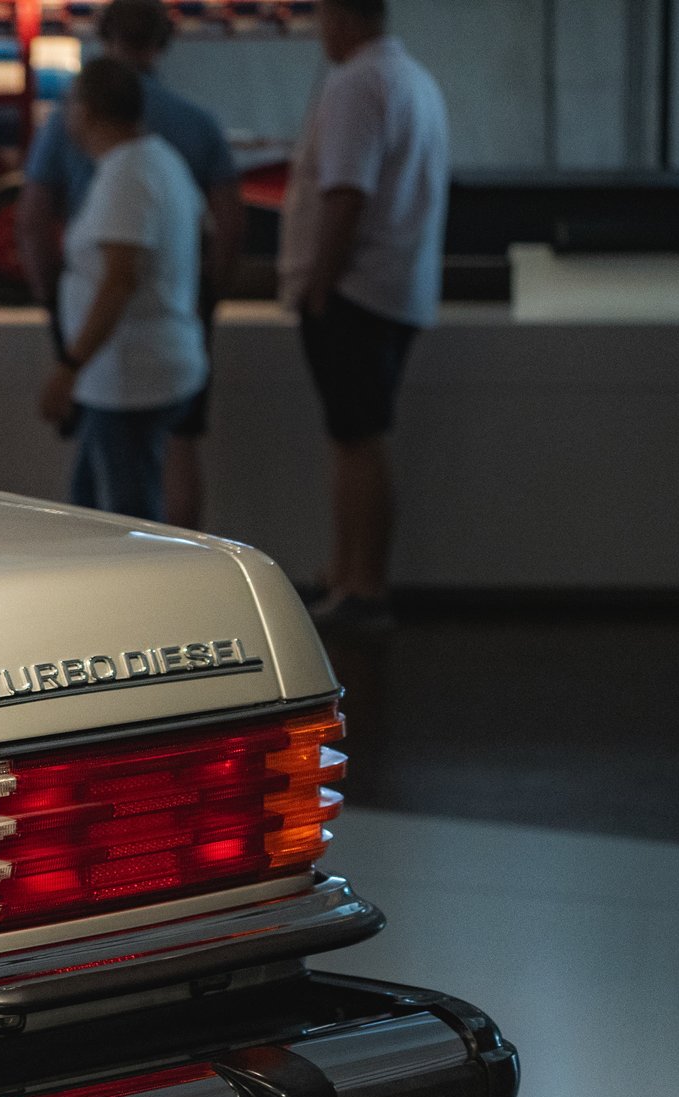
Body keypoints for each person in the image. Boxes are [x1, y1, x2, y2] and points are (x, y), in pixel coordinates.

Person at [17, 0, 240, 529]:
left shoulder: (125, 175)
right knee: (140, 470)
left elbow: (105, 271)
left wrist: (61, 330)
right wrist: (206, 297)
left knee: (126, 508)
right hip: (158, 341)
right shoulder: (185, 136)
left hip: (124, 361)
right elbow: (230, 225)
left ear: (88, 110)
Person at [281, 0, 450, 633]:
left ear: (341, 16)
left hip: (355, 291)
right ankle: (346, 571)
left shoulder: (355, 83)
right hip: (395, 288)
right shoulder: (414, 78)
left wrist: (320, 283)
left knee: (357, 440)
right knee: (355, 436)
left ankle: (362, 586)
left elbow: (346, 193)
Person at [37, 58, 207, 522]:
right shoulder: (158, 160)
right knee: (91, 506)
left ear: (87, 111)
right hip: (143, 366)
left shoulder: (128, 175)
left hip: (130, 376)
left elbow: (119, 279)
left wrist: (69, 366)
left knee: (124, 520)